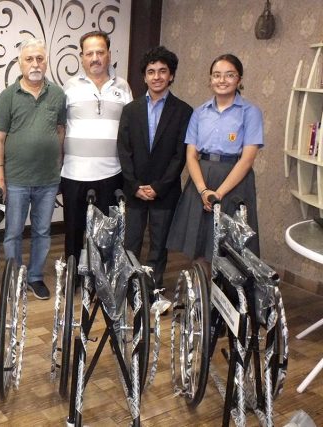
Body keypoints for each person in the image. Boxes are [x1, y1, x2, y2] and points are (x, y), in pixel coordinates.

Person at [167, 53, 262, 262]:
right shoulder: (199, 112)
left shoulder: (250, 112)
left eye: (229, 75)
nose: (222, 80)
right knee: (199, 243)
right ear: (210, 80)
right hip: (201, 179)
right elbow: (191, 155)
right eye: (216, 75)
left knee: (230, 247)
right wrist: (203, 190)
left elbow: (247, 160)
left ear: (239, 80)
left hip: (234, 182)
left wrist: (218, 193)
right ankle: (201, 290)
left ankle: (226, 294)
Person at [0, 38, 66, 300]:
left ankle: (35, 277)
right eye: (29, 59)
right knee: (12, 231)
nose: (35, 63)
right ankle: (14, 277)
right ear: (20, 63)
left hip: (47, 179)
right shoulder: (8, 96)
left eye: (40, 59)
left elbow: (60, 131)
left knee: (42, 231)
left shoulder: (57, 94)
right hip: (16, 179)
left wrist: (58, 166)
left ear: (46, 62)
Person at [117, 46, 193, 294]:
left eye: (163, 71)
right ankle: (129, 286)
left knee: (159, 244)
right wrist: (134, 185)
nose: (157, 76)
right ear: (144, 77)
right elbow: (124, 151)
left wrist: (158, 187)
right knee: (131, 241)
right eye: (151, 72)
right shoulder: (130, 110)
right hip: (134, 189)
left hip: (166, 190)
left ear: (171, 75)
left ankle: (152, 287)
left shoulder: (183, 111)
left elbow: (179, 156)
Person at [61, 30, 132, 267]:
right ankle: (73, 278)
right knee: (73, 230)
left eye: (100, 52)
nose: (95, 58)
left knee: (105, 232)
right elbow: (59, 128)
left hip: (111, 173)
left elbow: (130, 129)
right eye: (89, 53)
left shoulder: (123, 86)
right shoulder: (69, 87)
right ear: (81, 57)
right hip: (73, 173)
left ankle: (102, 276)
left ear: (109, 54)